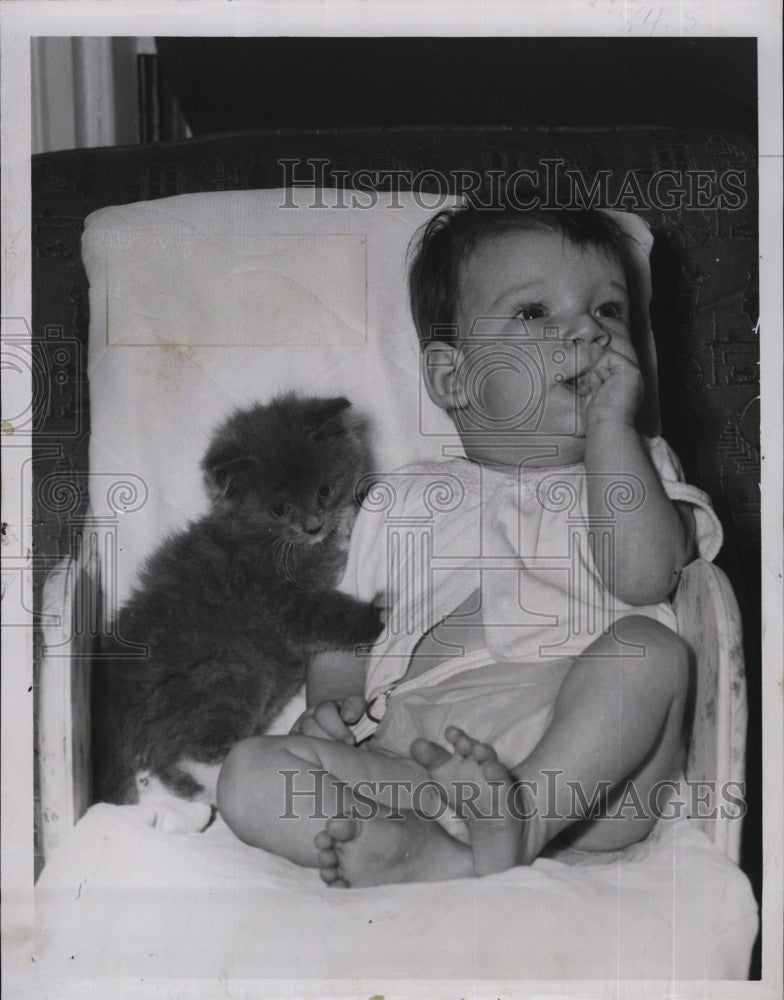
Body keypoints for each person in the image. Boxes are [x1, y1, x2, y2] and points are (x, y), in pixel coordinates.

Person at [216, 197, 722, 887]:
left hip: (583, 773)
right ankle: (435, 856)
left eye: (608, 311)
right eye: (535, 313)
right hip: (418, 758)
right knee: (248, 773)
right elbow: (346, 636)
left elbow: (643, 578)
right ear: (454, 377)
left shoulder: (637, 471)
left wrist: (612, 433)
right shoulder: (401, 500)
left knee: (651, 652)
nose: (587, 333)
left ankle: (518, 825)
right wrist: (333, 704)